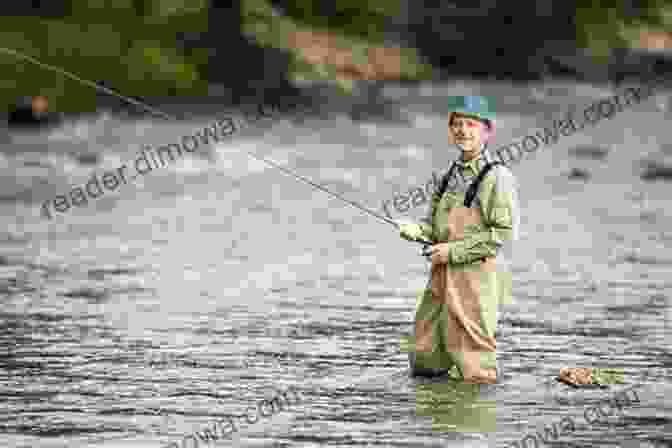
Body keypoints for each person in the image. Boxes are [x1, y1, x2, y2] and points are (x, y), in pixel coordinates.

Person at [398, 95, 519, 384]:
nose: (463, 130)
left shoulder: (497, 176)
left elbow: (500, 235)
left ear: (487, 131)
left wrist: (450, 252)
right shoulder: (448, 175)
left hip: (475, 279)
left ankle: (476, 420)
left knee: (474, 365)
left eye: (471, 124)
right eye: (457, 124)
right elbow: (435, 228)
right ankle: (434, 420)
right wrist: (418, 231)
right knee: (425, 354)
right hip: (441, 275)